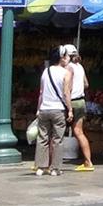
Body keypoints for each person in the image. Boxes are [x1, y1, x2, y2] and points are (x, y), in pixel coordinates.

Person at [33, 46, 71, 176]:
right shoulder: (66, 73)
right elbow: (66, 93)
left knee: (42, 138)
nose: (67, 58)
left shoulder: (46, 71)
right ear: (62, 58)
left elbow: (41, 92)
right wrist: (70, 109)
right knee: (57, 139)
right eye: (66, 56)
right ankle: (55, 168)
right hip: (58, 110)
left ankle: (40, 167)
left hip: (44, 109)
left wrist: (38, 109)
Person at [63, 44, 94, 172]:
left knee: (56, 133)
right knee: (79, 133)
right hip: (81, 102)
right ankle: (88, 162)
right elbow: (86, 84)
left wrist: (68, 106)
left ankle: (49, 163)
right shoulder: (80, 66)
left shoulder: (69, 67)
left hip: (72, 102)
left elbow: (67, 88)